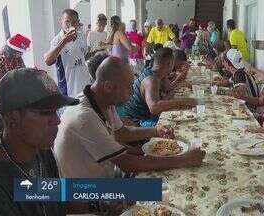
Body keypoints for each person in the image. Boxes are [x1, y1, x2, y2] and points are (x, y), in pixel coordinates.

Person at [53, 56, 205, 178]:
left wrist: (156, 130)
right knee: (160, 191)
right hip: (86, 196)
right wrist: (184, 160)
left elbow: (121, 133)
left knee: (163, 180)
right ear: (108, 86)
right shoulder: (84, 117)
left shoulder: (102, 100)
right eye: (129, 87)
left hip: (107, 174)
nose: (132, 92)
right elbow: (127, 163)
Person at [0, 68, 109, 215]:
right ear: (12, 118)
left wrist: (100, 204)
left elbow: (49, 196)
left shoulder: (41, 151)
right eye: (46, 112)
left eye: (56, 111)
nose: (57, 120)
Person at [116, 48, 198, 127]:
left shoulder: (160, 74)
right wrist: (183, 101)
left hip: (147, 115)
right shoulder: (151, 80)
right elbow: (154, 108)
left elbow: (169, 89)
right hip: (137, 121)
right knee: (175, 126)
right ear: (170, 64)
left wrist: (166, 99)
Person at [44, 9, 91, 98]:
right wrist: (64, 40)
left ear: (78, 23)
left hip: (84, 84)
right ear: (61, 22)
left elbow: (82, 56)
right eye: (67, 22)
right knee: (69, 111)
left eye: (74, 22)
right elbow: (48, 61)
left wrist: (95, 52)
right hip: (68, 89)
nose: (70, 25)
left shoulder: (82, 36)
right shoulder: (57, 40)